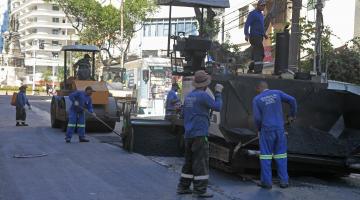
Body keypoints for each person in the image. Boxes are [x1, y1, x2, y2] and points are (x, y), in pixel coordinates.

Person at [177, 70, 223, 198]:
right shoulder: (203, 96)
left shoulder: (189, 97)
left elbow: (183, 114)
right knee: (201, 162)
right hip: (200, 134)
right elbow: (217, 107)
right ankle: (200, 190)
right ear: (205, 85)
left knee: (189, 162)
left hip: (189, 134)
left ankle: (183, 186)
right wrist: (218, 93)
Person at [252, 81, 297, 189]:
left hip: (267, 130)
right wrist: (292, 115)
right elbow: (293, 100)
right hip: (280, 129)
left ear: (258, 88)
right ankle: (284, 181)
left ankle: (267, 183)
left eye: (256, 90)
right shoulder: (277, 93)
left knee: (265, 156)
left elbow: (257, 118)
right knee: (281, 155)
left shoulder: (257, 99)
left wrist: (259, 130)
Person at [244, 0, 268, 74]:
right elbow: (247, 24)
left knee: (256, 53)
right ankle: (258, 70)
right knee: (260, 53)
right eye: (262, 5)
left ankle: (251, 68)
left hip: (260, 36)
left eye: (264, 5)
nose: (263, 7)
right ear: (258, 5)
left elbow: (261, 27)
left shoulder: (261, 14)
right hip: (254, 36)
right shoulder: (253, 13)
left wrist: (264, 34)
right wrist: (246, 34)